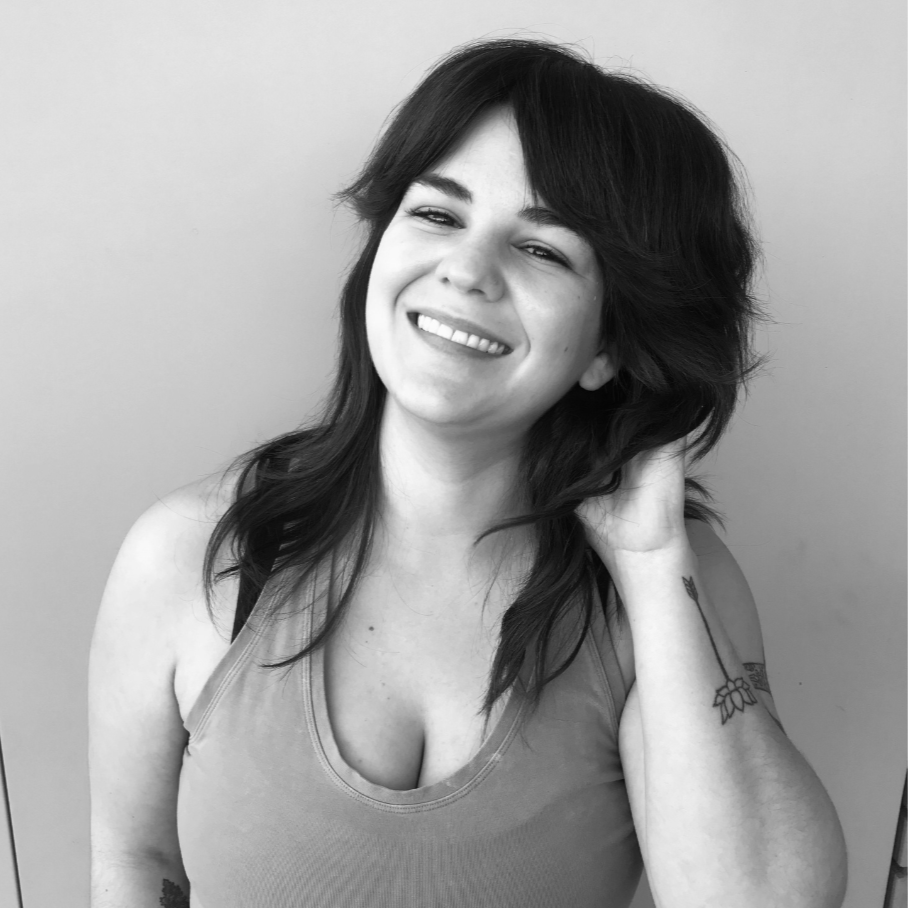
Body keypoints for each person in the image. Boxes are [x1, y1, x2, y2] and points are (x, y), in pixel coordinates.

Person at [88, 38, 847, 908]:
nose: (467, 271)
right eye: (438, 215)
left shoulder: (670, 585)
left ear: (608, 346)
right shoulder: (190, 555)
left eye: (544, 251)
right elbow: (137, 861)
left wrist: (650, 565)